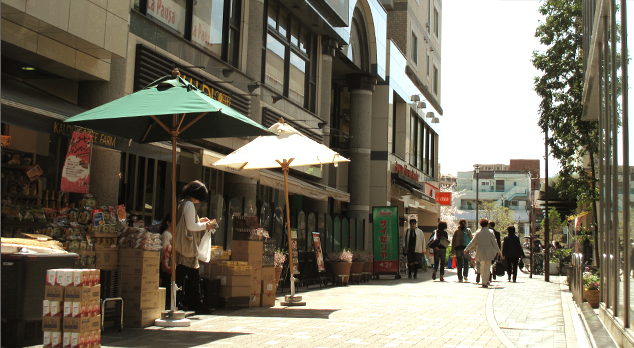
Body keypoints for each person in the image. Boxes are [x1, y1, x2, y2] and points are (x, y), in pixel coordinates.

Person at [174, 180, 215, 313]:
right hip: (187, 246)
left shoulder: (183, 203)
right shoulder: (189, 205)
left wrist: (200, 221)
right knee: (182, 276)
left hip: (185, 246)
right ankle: (177, 302)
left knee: (192, 276)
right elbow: (191, 226)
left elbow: (190, 222)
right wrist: (206, 226)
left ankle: (193, 302)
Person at [464, 218, 501, 288]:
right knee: (487, 266)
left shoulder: (478, 233)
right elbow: (494, 243)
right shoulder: (490, 232)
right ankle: (485, 281)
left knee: (482, 266)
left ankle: (483, 280)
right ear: (487, 224)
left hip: (480, 251)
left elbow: (472, 242)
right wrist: (499, 251)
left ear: (480, 224)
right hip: (489, 251)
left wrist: (466, 249)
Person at [159, 213, 172, 309]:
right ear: (168, 223)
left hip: (167, 261)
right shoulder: (166, 234)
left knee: (168, 282)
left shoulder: (170, 234)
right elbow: (164, 248)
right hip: (165, 261)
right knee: (166, 282)